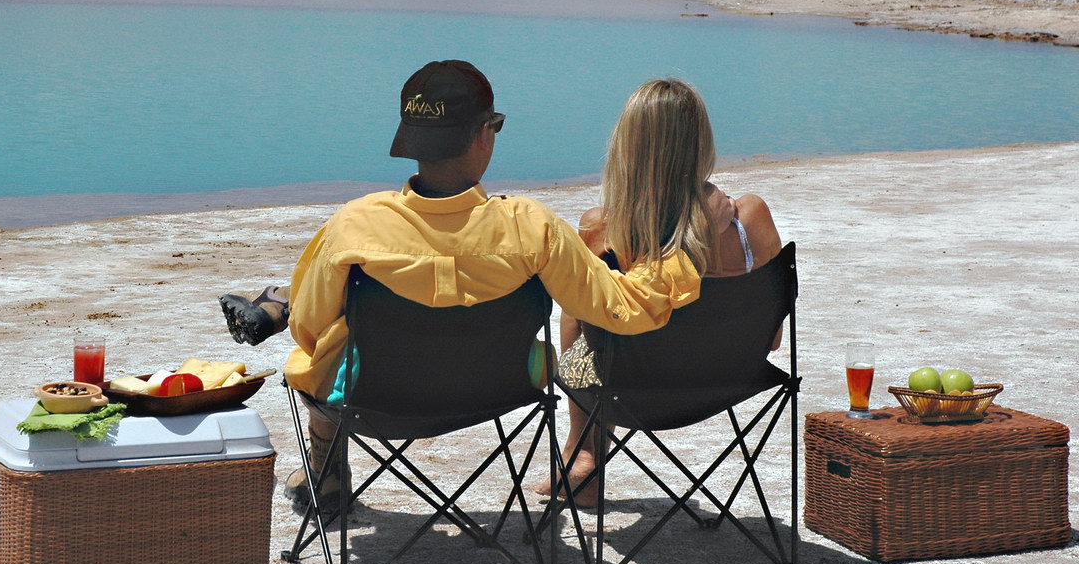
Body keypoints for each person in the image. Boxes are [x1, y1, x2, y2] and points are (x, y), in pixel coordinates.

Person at [221, 60, 734, 513]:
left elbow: (311, 329)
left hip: (376, 393)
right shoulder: (532, 227)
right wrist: (689, 239)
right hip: (501, 385)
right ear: (484, 135)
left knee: (320, 354)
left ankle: (325, 465)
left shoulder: (354, 225)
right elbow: (624, 308)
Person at [538, 77, 783, 507]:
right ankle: (583, 455)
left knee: (579, 324)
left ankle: (582, 453)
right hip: (731, 379)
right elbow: (774, 339)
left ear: (627, 147)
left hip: (631, 390)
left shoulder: (604, 230)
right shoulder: (750, 218)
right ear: (701, 142)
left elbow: (589, 330)